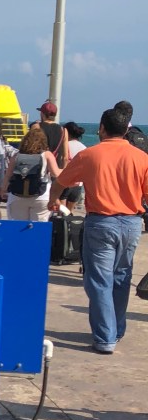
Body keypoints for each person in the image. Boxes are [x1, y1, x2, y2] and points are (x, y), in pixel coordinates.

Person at [57, 108, 148, 354]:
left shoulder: (90, 155)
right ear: (127, 130)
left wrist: (53, 200)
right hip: (131, 223)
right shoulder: (141, 157)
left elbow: (62, 181)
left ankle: (105, 336)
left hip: (101, 222)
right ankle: (115, 329)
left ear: (101, 128)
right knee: (121, 277)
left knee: (99, 281)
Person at [0, 125, 61, 222]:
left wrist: (3, 190)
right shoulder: (47, 155)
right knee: (39, 229)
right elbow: (55, 174)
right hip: (41, 195)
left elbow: (8, 175)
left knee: (18, 228)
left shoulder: (16, 155)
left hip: (17, 195)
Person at [36, 100, 69, 167]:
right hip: (55, 169)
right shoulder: (63, 130)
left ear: (42, 114)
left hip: (38, 168)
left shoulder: (37, 127)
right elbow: (65, 158)